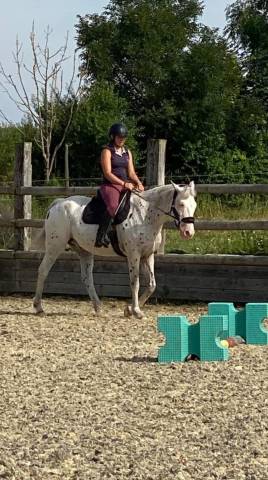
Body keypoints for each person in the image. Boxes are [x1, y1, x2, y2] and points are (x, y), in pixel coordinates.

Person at [95, 122, 144, 247]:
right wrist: (123, 183)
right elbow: (107, 173)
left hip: (125, 185)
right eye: (119, 137)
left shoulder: (127, 152)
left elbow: (131, 172)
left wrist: (138, 182)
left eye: (124, 137)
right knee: (113, 205)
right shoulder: (107, 151)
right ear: (113, 137)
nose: (122, 139)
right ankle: (100, 236)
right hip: (110, 185)